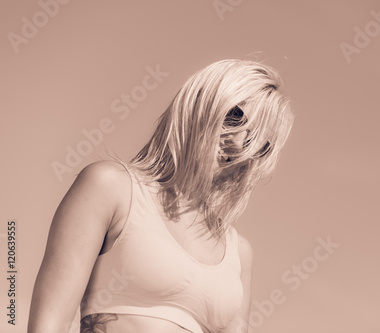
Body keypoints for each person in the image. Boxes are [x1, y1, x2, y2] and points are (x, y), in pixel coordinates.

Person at [27, 59, 294, 333]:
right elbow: (51, 323)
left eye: (257, 142)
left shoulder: (239, 253)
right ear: (201, 104)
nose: (238, 143)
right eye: (235, 117)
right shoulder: (111, 186)